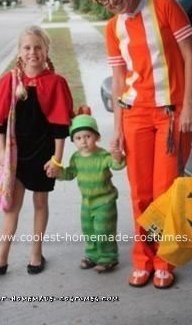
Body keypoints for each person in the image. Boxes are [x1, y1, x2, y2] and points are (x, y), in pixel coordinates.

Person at [85, 0, 192, 288]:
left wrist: (188, 105)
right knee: (140, 194)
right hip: (134, 116)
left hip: (170, 114)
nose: (111, 0)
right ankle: (143, 259)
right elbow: (119, 81)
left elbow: (189, 57)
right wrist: (117, 129)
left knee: (164, 192)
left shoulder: (164, 6)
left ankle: (165, 260)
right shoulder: (112, 27)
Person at [0, 25, 74, 275]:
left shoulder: (56, 82)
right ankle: (1, 258)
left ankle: (36, 253)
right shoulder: (9, 81)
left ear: (46, 50)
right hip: (15, 154)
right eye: (27, 47)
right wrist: (0, 154)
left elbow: (60, 125)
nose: (32, 52)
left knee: (40, 201)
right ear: (19, 51)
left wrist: (57, 160)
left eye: (38, 47)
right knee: (11, 205)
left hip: (43, 152)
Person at [51, 111, 126, 273]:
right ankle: (92, 255)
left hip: (105, 201)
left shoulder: (103, 156)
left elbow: (116, 165)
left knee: (103, 230)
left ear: (97, 137)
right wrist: (58, 173)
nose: (83, 141)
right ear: (73, 141)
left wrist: (117, 156)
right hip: (87, 202)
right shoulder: (76, 158)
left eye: (87, 136)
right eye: (78, 138)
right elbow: (70, 173)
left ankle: (108, 257)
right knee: (89, 229)